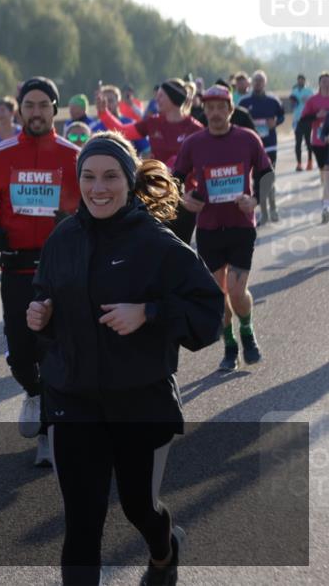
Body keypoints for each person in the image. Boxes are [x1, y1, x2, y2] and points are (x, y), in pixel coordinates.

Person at [29, 131, 224, 586]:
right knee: (82, 521)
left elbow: (208, 312)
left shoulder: (157, 243)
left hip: (139, 399)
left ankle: (163, 549)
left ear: (129, 180)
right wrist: (41, 313)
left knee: (139, 506)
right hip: (73, 399)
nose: (99, 188)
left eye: (111, 177)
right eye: (89, 176)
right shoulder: (61, 239)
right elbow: (46, 296)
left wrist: (150, 313)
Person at [0, 76, 80, 466]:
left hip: (60, 270)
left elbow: (93, 206)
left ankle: (50, 434)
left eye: (44, 105)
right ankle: (33, 393)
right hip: (15, 268)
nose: (36, 112)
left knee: (55, 348)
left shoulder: (73, 156)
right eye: (29, 105)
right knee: (20, 351)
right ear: (20, 110)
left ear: (56, 109)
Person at [173, 85, 273, 371]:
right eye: (210, 108)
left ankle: (248, 332)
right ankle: (230, 347)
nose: (215, 113)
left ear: (230, 110)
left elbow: (266, 174)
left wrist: (255, 200)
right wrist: (185, 199)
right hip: (208, 227)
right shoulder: (194, 143)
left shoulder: (248, 139)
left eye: (221, 107)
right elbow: (176, 178)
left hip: (241, 225)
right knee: (219, 293)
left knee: (237, 291)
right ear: (204, 110)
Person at [94, 78, 203, 243]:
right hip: (157, 192)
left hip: (184, 198)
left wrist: (195, 191)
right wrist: (103, 113)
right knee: (158, 243)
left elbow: (203, 165)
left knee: (181, 245)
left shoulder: (195, 128)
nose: (156, 99)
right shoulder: (153, 122)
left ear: (173, 99)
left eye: (161, 96)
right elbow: (124, 131)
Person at [239, 70, 284, 224]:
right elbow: (237, 121)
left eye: (261, 80)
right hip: (252, 148)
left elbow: (282, 115)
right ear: (252, 82)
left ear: (265, 83)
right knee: (257, 180)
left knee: (268, 177)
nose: (258, 83)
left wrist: (275, 122)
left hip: (270, 145)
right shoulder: (244, 102)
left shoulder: (273, 101)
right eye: (255, 80)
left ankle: (273, 209)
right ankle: (264, 213)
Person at [298, 72, 329, 223]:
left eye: (328, 82)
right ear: (319, 83)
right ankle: (326, 203)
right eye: (323, 81)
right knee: (324, 176)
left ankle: (325, 208)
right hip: (317, 143)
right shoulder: (313, 101)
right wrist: (317, 116)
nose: (326, 84)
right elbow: (303, 119)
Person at [92, 85, 148, 156]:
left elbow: (146, 150)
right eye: (104, 101)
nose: (106, 104)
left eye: (110, 101)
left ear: (118, 102)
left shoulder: (130, 123)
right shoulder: (94, 128)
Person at [291, 74, 315, 171]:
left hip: (307, 119)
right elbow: (292, 104)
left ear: (305, 81)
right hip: (297, 120)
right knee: (298, 143)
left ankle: (309, 162)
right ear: (297, 81)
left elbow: (314, 104)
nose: (300, 81)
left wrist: (307, 101)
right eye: (299, 80)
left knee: (308, 142)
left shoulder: (309, 91)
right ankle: (299, 164)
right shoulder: (294, 91)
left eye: (302, 80)